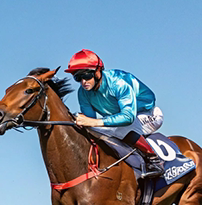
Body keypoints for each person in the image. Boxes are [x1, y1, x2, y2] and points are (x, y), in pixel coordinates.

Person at [66, 49, 164, 178]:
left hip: (148, 114)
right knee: (93, 131)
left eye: (87, 75)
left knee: (121, 128)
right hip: (119, 119)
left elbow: (128, 117)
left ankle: (154, 160)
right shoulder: (83, 93)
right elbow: (90, 122)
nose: (83, 81)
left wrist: (94, 122)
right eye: (78, 77)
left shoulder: (118, 82)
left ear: (98, 71)